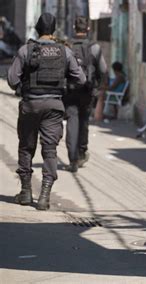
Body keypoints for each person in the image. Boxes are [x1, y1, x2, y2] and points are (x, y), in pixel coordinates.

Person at [7, 13, 86, 210]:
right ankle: (44, 196)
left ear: (37, 28)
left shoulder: (26, 50)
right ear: (54, 30)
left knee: (26, 147)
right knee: (49, 150)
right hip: (54, 106)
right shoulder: (64, 52)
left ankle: (25, 192)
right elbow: (81, 79)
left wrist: (22, 88)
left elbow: (11, 80)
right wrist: (64, 86)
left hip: (30, 104)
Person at [63, 16, 107, 172]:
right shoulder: (94, 47)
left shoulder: (67, 46)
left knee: (71, 122)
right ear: (87, 29)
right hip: (87, 91)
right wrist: (99, 88)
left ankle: (72, 159)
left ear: (74, 28)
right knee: (84, 122)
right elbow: (103, 70)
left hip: (70, 90)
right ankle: (81, 153)